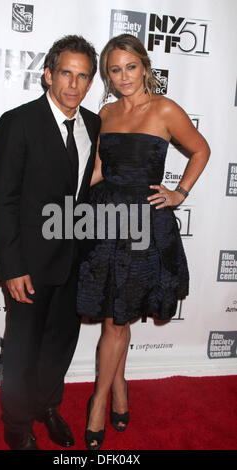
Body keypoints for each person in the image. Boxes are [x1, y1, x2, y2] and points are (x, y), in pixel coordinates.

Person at [77, 33, 210, 450]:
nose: (123, 77)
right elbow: (97, 171)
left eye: (130, 67)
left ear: (145, 67)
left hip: (144, 228)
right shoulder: (105, 112)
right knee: (117, 315)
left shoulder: (166, 109)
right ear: (108, 76)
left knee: (118, 320)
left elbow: (201, 149)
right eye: (114, 70)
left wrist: (179, 192)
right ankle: (119, 390)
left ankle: (98, 401)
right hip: (104, 223)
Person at [0, 35, 100, 450]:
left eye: (83, 76)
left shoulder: (93, 123)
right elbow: (4, 198)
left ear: (90, 82)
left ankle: (45, 405)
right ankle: (17, 425)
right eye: (66, 73)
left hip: (74, 258)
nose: (73, 84)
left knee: (60, 342)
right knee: (22, 347)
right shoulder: (18, 122)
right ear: (48, 74)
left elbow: (82, 187)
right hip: (30, 264)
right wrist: (12, 266)